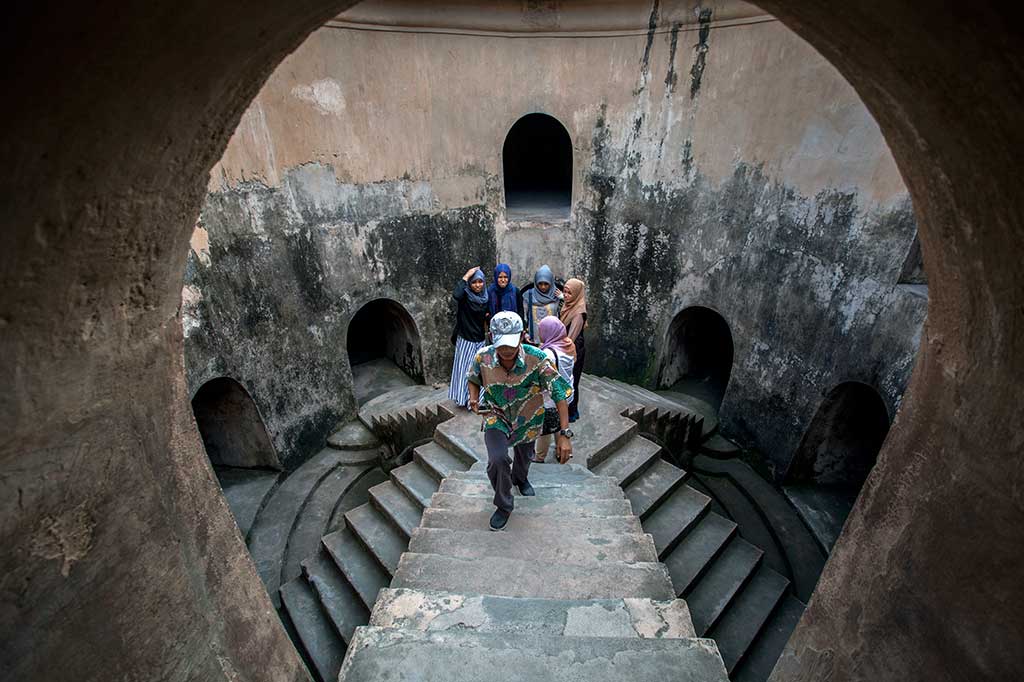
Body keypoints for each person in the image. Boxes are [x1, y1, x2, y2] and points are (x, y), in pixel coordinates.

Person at [466, 311, 574, 531]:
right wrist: (474, 398)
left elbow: (560, 394)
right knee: (497, 460)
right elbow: (473, 378)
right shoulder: (483, 357)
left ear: (523, 336)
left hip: (529, 418)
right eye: (501, 345)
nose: (506, 351)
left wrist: (564, 435)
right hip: (496, 417)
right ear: (491, 336)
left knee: (525, 457)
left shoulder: (538, 358)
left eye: (511, 344)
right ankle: (504, 505)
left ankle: (520, 479)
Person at [532, 316, 576, 463]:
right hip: (567, 392)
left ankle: (539, 457)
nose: (539, 333)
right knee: (559, 422)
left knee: (545, 430)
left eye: (541, 330)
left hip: (551, 398)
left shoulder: (548, 354)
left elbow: (543, 378)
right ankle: (559, 449)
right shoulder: (568, 344)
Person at [448, 266, 488, 408]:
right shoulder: (465, 296)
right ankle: (464, 399)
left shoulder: (485, 297)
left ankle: (479, 400)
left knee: (480, 370)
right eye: (474, 282)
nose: (477, 285)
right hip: (466, 338)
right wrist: (466, 276)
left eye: (480, 282)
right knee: (465, 370)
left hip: (479, 339)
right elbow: (456, 295)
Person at [560, 277, 588, 423]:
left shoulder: (578, 313)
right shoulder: (571, 305)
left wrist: (560, 349)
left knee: (572, 381)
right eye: (564, 292)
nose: (565, 296)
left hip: (574, 349)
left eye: (569, 293)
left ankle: (571, 412)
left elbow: (571, 338)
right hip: (570, 348)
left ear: (576, 294)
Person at [520, 264, 562, 344]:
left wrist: (563, 298)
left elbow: (565, 314)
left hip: (552, 340)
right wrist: (525, 333)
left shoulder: (556, 296)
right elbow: (524, 316)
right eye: (540, 283)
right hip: (532, 340)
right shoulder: (528, 295)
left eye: (546, 284)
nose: (543, 287)